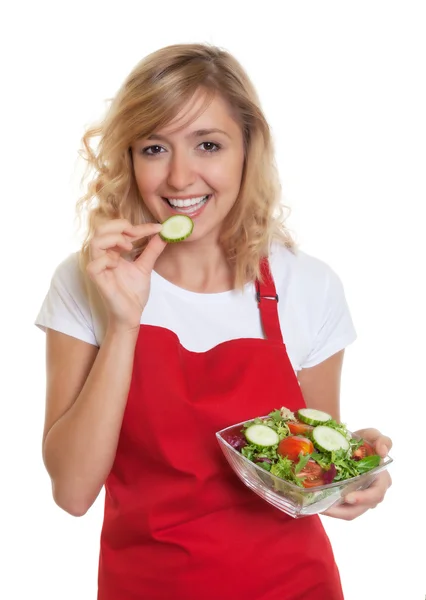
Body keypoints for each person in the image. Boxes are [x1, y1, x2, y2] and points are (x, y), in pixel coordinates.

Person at [35, 43, 392, 600]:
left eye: (208, 145)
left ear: (248, 150)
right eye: (154, 147)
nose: (180, 178)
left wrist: (357, 477)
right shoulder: (88, 281)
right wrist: (124, 322)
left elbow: (314, 474)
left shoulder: (308, 286)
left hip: (294, 586)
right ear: (129, 158)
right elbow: (74, 492)